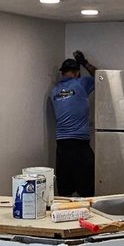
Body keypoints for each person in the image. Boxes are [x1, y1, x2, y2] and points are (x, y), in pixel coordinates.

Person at [49, 50, 98, 196]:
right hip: (80, 146)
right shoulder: (81, 83)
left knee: (65, 192)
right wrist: (84, 62)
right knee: (87, 190)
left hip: (62, 146)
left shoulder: (54, 91)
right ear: (77, 73)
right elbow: (101, 76)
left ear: (63, 73)